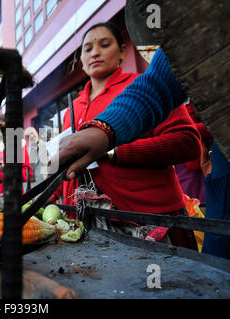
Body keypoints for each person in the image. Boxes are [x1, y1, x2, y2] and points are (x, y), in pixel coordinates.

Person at [53, 41, 229, 258]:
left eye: (105, 44)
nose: (95, 52)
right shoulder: (73, 109)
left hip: (150, 221)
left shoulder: (141, 84)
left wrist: (113, 151)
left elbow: (187, 142)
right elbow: (69, 165)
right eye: (87, 49)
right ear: (80, 61)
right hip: (90, 223)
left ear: (122, 52)